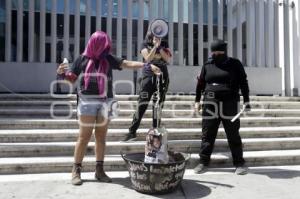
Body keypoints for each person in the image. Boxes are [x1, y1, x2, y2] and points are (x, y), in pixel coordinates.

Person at [56, 31, 161, 186]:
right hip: (87, 101)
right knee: (84, 137)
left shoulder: (108, 58)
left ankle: (99, 170)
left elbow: (126, 64)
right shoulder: (82, 59)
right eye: (104, 44)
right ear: (95, 44)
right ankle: (76, 170)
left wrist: (147, 65)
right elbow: (72, 80)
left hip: (107, 100)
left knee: (101, 137)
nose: (107, 47)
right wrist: (61, 74)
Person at [194, 39, 251, 175]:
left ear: (223, 51)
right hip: (210, 103)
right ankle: (203, 162)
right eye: (213, 52)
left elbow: (243, 83)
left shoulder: (235, 64)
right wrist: (197, 101)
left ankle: (239, 163)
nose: (214, 54)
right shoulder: (208, 65)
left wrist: (247, 101)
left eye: (217, 51)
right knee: (207, 133)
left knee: (233, 134)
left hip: (230, 103)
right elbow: (200, 83)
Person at [122, 28, 172, 142]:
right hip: (148, 77)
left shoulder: (165, 44)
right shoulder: (144, 44)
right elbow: (148, 59)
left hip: (162, 77)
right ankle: (132, 132)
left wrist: (159, 47)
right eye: (155, 35)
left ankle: (156, 132)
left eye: (159, 35)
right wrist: (154, 47)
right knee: (142, 104)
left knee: (158, 105)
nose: (157, 37)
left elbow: (167, 59)